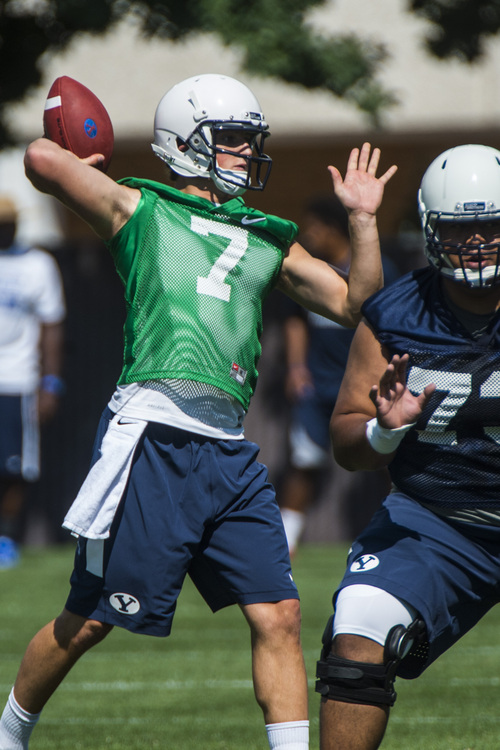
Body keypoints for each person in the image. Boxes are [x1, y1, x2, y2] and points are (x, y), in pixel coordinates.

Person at [0, 73, 396, 750]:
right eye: (234, 139)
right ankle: (9, 735)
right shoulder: (138, 210)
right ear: (184, 143)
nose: (246, 153)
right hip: (153, 433)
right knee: (92, 618)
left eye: (250, 140)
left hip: (228, 450)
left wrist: (362, 221)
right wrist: (83, 155)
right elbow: (40, 159)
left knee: (279, 614)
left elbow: (355, 304)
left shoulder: (266, 237)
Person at [316, 143, 500, 750]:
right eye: (460, 229)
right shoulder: (396, 314)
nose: (476, 244)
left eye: (490, 227)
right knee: (360, 629)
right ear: (430, 231)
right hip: (439, 522)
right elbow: (346, 438)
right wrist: (385, 429)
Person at [279, 195, 398, 556]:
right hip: (318, 384)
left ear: (334, 230)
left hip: (366, 386)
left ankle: (408, 525)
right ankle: (286, 543)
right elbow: (295, 320)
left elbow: (393, 324)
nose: (310, 236)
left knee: (386, 458)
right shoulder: (310, 272)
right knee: (305, 461)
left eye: (315, 228)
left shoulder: (378, 270)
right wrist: (296, 367)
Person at [0, 195, 65, 569]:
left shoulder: (38, 265)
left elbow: (52, 326)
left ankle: (6, 536)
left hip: (19, 380)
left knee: (16, 468)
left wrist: (50, 382)